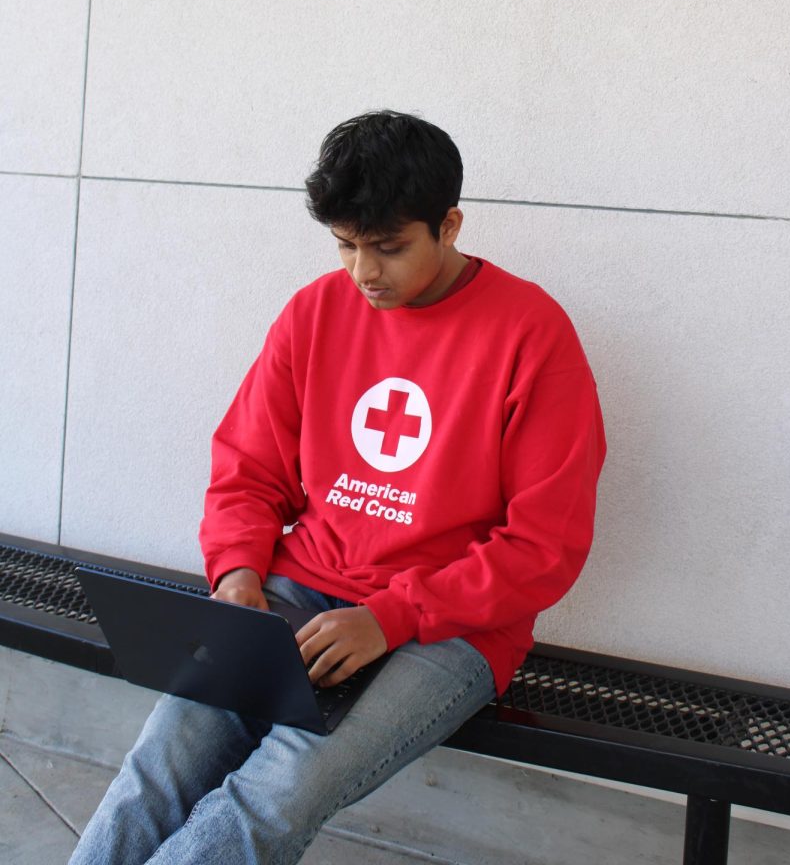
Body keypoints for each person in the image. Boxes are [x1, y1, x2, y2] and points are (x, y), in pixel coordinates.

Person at [70, 110, 606, 865]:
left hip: (454, 627)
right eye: (347, 246)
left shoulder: (532, 335)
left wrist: (390, 617)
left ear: (449, 225)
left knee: (275, 794)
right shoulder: (316, 311)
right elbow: (248, 470)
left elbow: (544, 548)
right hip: (300, 591)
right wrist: (237, 575)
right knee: (156, 770)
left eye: (389, 247)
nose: (364, 274)